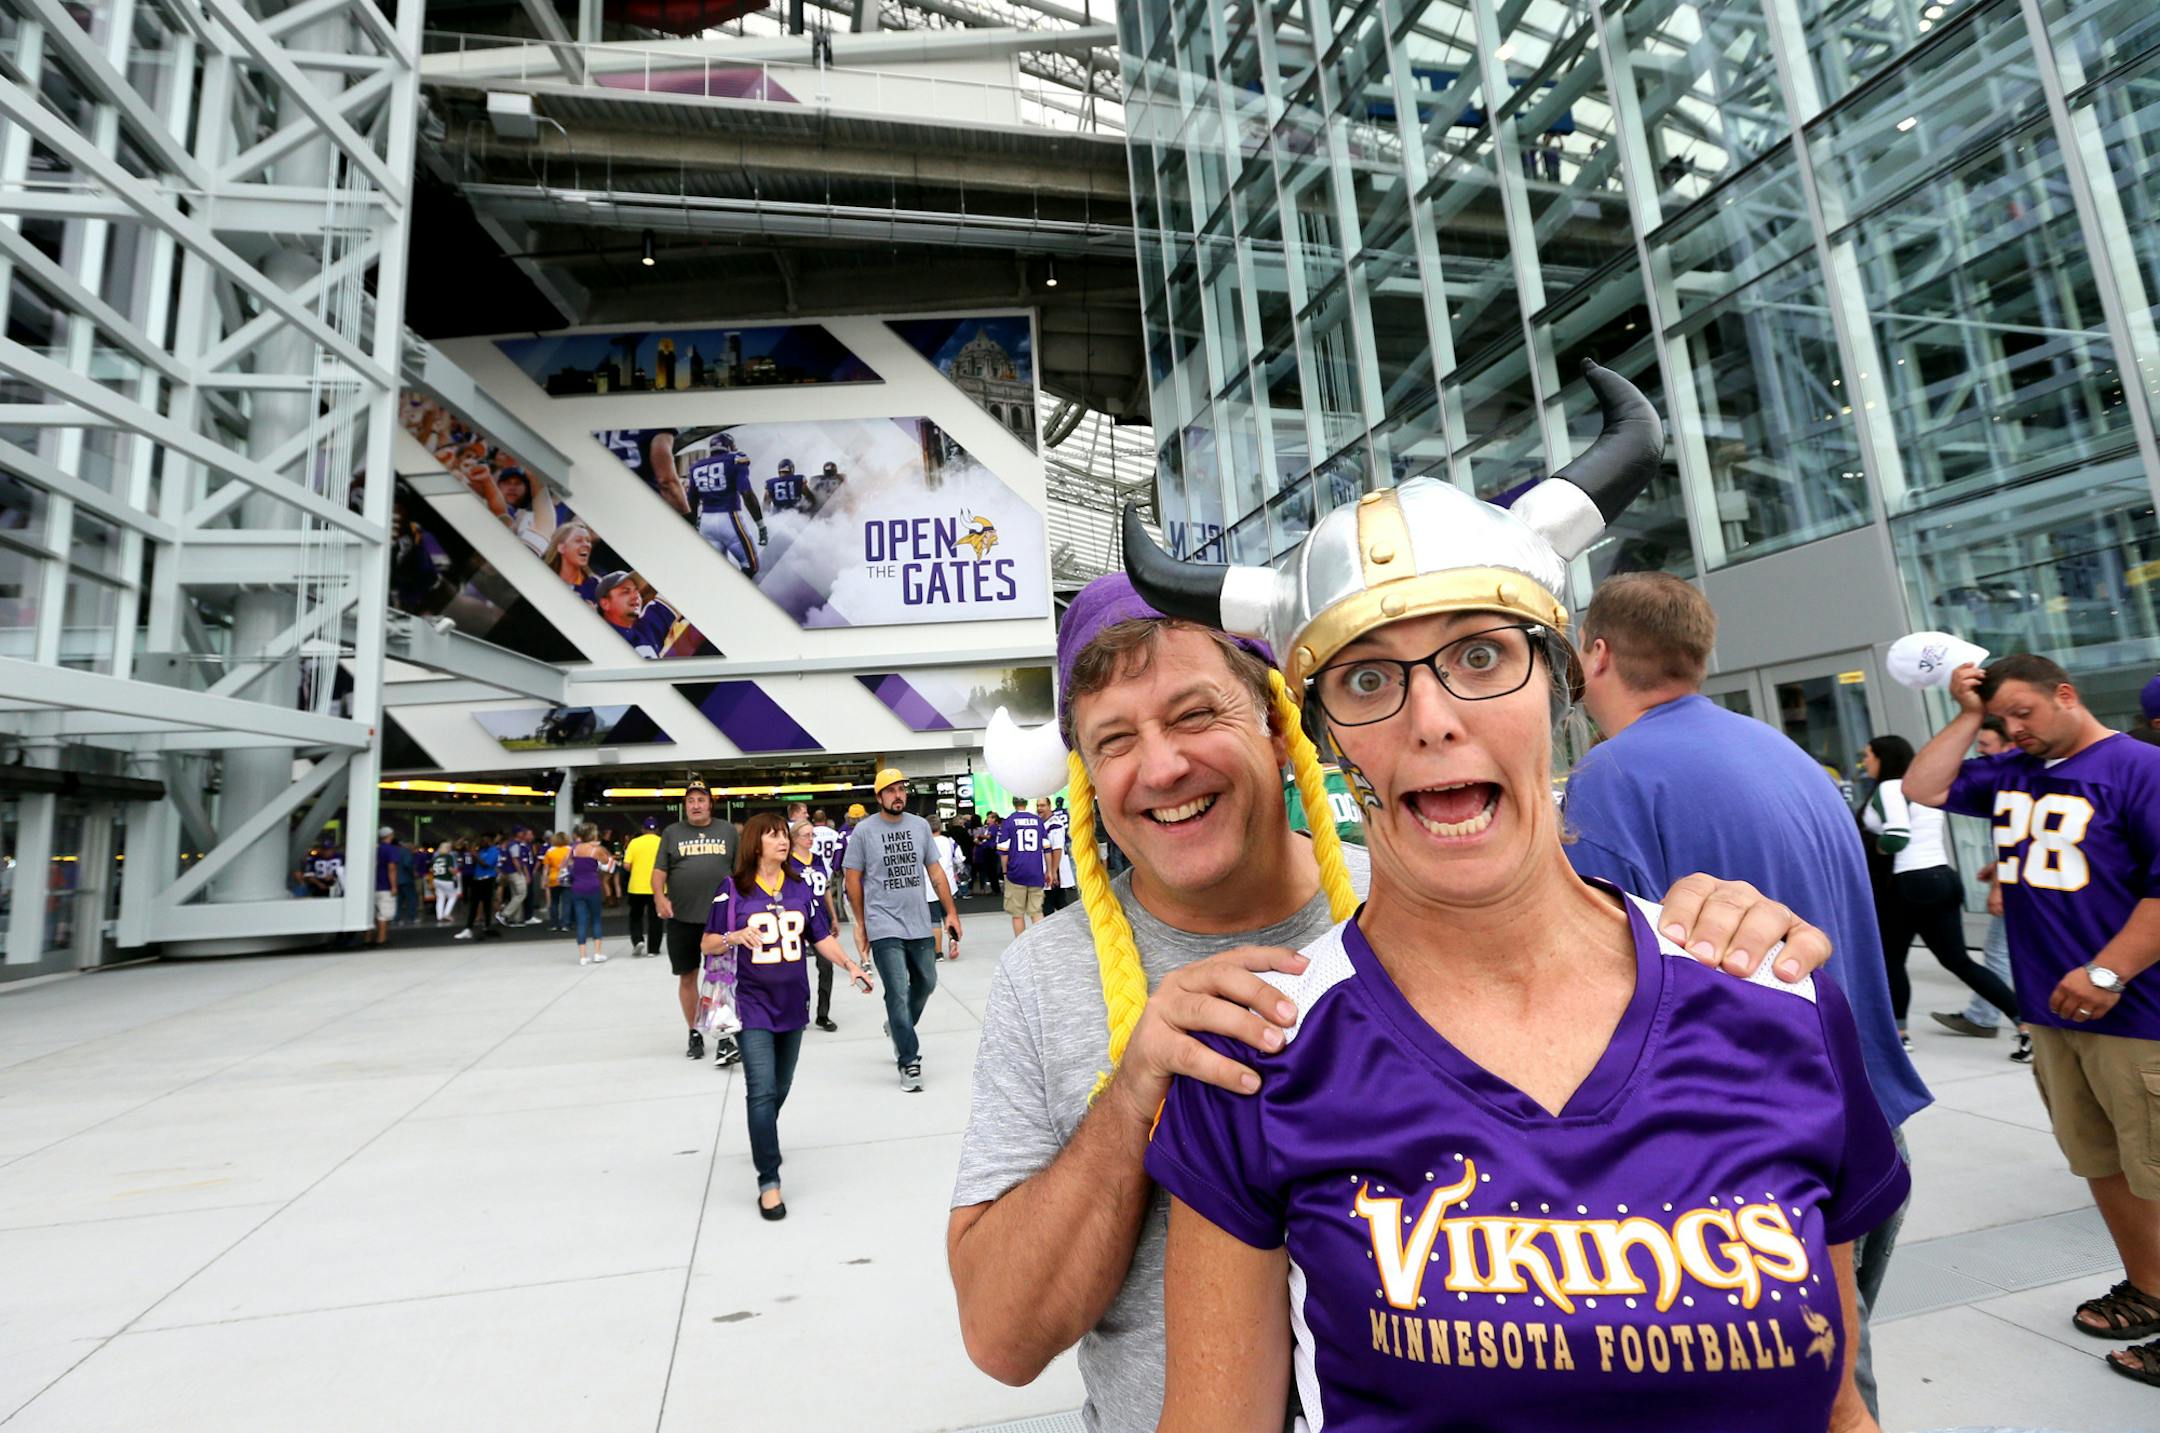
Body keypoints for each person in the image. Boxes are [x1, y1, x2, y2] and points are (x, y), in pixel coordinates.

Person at [1119, 429, 1902, 1431]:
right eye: (1366, 679)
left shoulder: (1772, 992)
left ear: (1559, 685)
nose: (1433, 717)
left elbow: (1837, 1406)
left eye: (1480, 655)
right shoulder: (1259, 1051)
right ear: (1325, 740)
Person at [952, 560, 1833, 1433]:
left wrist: (1730, 941)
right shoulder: (1045, 981)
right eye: (1114, 741)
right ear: (1085, 778)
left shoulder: (1434, 883)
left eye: (1195, 715)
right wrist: (1135, 1089)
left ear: (1277, 718)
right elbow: (1001, 1339)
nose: (1163, 765)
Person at [1558, 571, 1928, 1418]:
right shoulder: (1786, 754)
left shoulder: (1613, 777)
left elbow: (1599, 1004)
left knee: (1816, 1394)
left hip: (1762, 1157)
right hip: (1874, 1125)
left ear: (1598, 654)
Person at [1904, 653, 2160, 1386]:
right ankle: (2148, 1288)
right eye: (2001, 719)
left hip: (2136, 1009)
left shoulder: (2140, 767)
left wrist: (2110, 969)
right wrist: (1965, 714)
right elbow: (1923, 785)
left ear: (2067, 695)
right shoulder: (2016, 771)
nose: (2014, 728)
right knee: (2102, 1161)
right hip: (2056, 1012)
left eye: (2025, 712)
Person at [703, 811, 874, 1219]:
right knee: (760, 1090)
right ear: (755, 844)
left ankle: (762, 1132)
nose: (783, 841)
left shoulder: (800, 889)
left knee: (778, 1088)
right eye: (774, 835)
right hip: (751, 1003)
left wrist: (851, 965)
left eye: (784, 835)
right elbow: (709, 942)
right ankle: (769, 1181)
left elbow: (820, 938)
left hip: (793, 1004)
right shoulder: (733, 889)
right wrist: (733, 936)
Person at [1860, 734, 2017, 1042]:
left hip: (1907, 882)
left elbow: (1896, 838)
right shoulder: (1924, 788)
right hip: (1943, 877)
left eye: (1868, 755)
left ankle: (1899, 1033)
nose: (1865, 761)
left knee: (1892, 960)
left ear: (1884, 758)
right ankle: (2024, 1023)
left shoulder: (1892, 788)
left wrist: (1868, 848)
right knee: (1957, 960)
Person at [842, 768, 962, 1093]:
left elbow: (935, 872)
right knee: (896, 992)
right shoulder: (864, 832)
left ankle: (897, 1027)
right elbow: (852, 878)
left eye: (902, 789)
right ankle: (909, 1061)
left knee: (927, 981)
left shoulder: (920, 826)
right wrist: (862, 922)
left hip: (919, 920)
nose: (898, 795)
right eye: (891, 790)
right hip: (883, 924)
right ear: (879, 796)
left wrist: (950, 912)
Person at [1931, 716, 2031, 1060]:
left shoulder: (2016, 781)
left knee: (1999, 954)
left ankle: (2007, 1021)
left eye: (1986, 747)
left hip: (2019, 887)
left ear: (2009, 748)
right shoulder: (2015, 782)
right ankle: (1984, 1015)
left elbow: (2020, 841)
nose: (1980, 755)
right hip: (2018, 880)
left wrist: (1999, 887)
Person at [655, 778, 740, 1064]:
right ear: (685, 805)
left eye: (701, 799)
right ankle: (694, 1031)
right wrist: (659, 896)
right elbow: (659, 871)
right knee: (688, 976)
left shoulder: (727, 831)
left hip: (720, 920)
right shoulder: (672, 832)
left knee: (721, 978)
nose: (695, 805)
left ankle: (725, 1034)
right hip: (683, 917)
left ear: (710, 803)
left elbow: (739, 872)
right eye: (691, 800)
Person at [789, 819, 842, 1031]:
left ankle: (823, 1013)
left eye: (812, 835)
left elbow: (826, 889)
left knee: (826, 966)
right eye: (806, 835)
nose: (811, 839)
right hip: (798, 921)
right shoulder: (788, 863)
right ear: (794, 838)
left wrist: (833, 916)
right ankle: (798, 1012)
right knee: (796, 969)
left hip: (820, 920)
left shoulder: (818, 859)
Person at [997, 798, 1047, 935]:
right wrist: (1049, 870)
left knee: (1017, 914)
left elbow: (1004, 851)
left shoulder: (1008, 822)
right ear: (1027, 803)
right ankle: (1041, 943)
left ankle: (1020, 945)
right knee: (1036, 911)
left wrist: (1005, 871)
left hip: (1016, 872)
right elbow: (1047, 848)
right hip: (1036, 871)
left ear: (1013, 803)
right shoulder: (1038, 821)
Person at [566, 822, 613, 966]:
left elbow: (568, 863)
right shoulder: (595, 850)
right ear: (592, 835)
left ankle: (582, 956)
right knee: (596, 919)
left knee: (581, 920)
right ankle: (597, 953)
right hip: (593, 885)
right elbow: (606, 860)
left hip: (577, 886)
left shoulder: (574, 849)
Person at [625, 817, 663, 958]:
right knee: (656, 918)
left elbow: (627, 865)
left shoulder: (634, 843)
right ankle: (653, 949)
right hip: (657, 886)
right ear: (657, 829)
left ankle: (638, 940)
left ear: (643, 829)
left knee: (635, 916)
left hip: (636, 886)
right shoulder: (662, 842)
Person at [456, 834, 503, 941]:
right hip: (477, 879)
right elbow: (474, 862)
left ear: (490, 841)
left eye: (484, 840)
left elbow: (486, 864)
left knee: (487, 904)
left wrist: (475, 855)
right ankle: (468, 928)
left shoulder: (494, 851)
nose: (481, 843)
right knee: (474, 905)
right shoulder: (482, 851)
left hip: (487, 880)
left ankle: (487, 926)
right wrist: (470, 852)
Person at [930, 822, 963, 961]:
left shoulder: (924, 842)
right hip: (948, 885)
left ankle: (938, 953)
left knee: (934, 921)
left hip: (929, 888)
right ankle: (952, 940)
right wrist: (957, 871)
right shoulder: (949, 841)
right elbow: (960, 858)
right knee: (949, 915)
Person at [1043, 797, 1075, 916]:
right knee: (1059, 902)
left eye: (1042, 805)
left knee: (1049, 904)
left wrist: (1053, 870)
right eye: (1038, 806)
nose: (1039, 808)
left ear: (1050, 806)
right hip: (1055, 864)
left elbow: (1057, 848)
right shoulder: (1063, 814)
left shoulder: (1054, 822)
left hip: (1056, 866)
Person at [497, 826, 533, 927]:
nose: (524, 834)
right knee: (522, 894)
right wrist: (521, 872)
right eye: (522, 832)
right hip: (515, 872)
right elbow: (515, 859)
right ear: (517, 834)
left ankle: (516, 919)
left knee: (516, 895)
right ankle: (504, 914)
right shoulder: (514, 845)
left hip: (510, 872)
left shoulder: (513, 844)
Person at [371, 827, 400, 946]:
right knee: (384, 914)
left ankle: (368, 939)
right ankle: (381, 939)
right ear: (390, 835)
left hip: (374, 885)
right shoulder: (390, 849)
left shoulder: (374, 849)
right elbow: (391, 868)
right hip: (385, 885)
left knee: (374, 914)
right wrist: (393, 886)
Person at [544, 832, 572, 932]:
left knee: (554, 902)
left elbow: (546, 868)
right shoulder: (570, 850)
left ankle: (554, 924)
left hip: (553, 878)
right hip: (566, 878)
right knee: (566, 903)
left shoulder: (550, 851)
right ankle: (565, 924)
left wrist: (544, 880)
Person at [432, 840, 461, 923]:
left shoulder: (436, 857)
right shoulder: (449, 856)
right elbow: (450, 869)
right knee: (453, 896)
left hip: (437, 879)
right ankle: (446, 914)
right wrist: (456, 873)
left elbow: (432, 869)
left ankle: (439, 916)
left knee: (440, 898)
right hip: (446, 879)